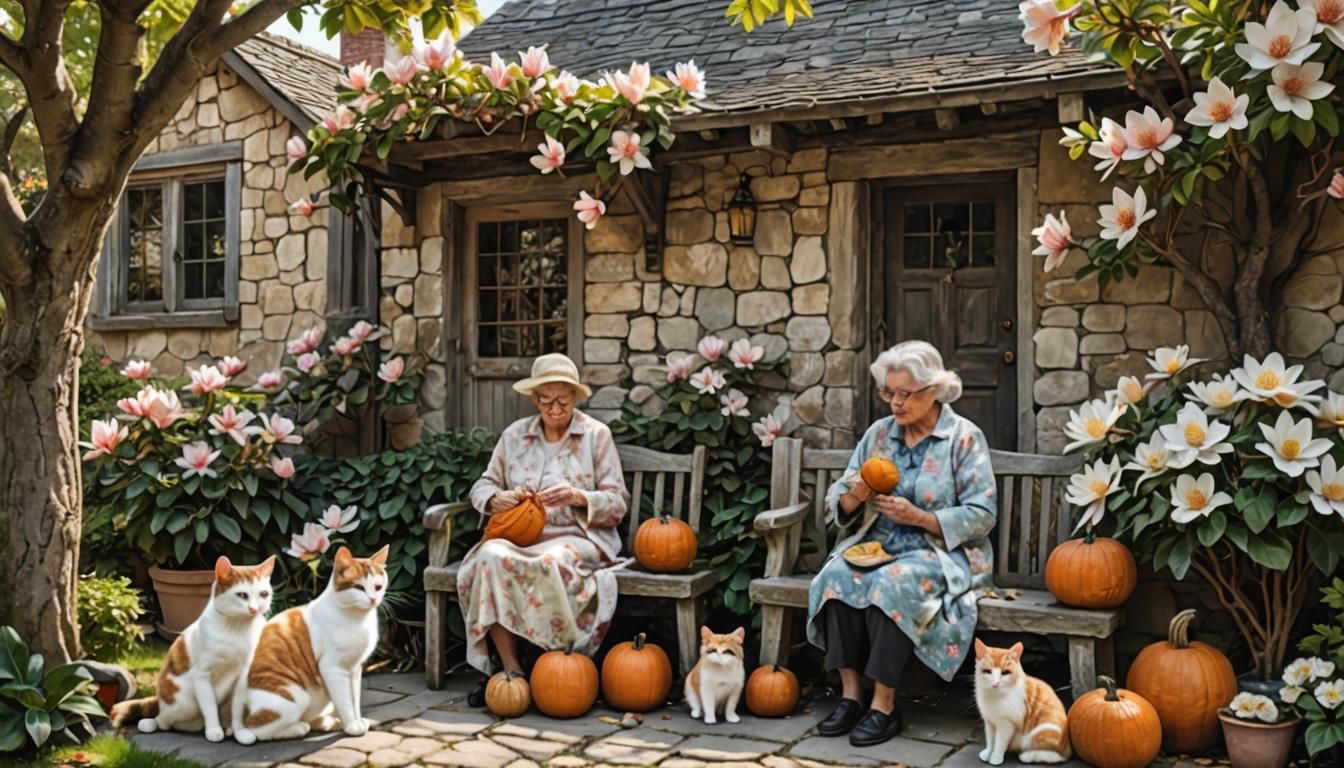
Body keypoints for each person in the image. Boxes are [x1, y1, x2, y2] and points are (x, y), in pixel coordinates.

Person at [807, 340, 997, 747]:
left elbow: (983, 512)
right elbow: (838, 497)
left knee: (891, 584)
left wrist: (922, 518)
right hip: (876, 544)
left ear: (934, 391)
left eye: (904, 394)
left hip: (940, 553)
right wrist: (855, 494)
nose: (894, 403)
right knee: (837, 575)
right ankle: (851, 696)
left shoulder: (963, 438)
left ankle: (884, 705)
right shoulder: (879, 435)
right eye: (888, 392)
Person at [458, 353, 630, 697]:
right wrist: (495, 500)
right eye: (546, 400)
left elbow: (618, 503)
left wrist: (579, 497)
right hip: (521, 536)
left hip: (577, 538)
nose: (554, 409)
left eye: (563, 401)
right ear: (534, 399)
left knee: (553, 562)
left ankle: (558, 667)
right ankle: (512, 672)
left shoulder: (596, 436)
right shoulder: (514, 436)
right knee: (489, 556)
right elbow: (483, 485)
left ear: (576, 398)